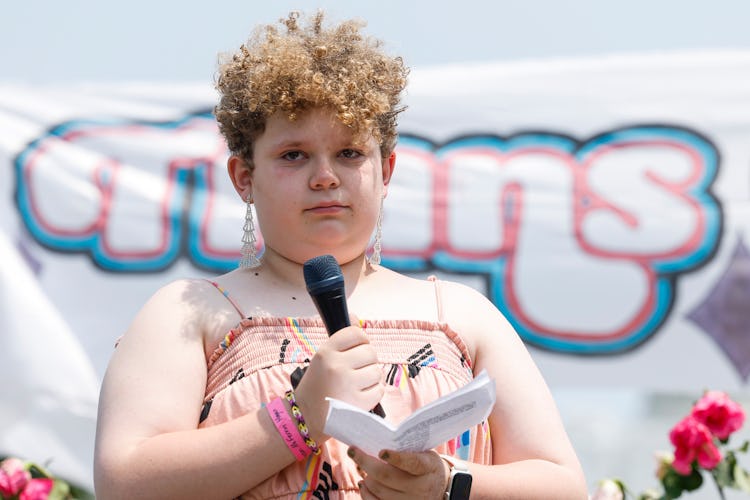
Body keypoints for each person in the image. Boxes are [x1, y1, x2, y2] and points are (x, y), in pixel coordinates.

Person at [93, 10, 588, 500]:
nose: (325, 176)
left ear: (386, 170)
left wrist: (445, 482)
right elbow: (124, 481)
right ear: (244, 177)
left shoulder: (463, 315)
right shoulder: (187, 312)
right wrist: (298, 419)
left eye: (350, 153)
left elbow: (563, 486)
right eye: (293, 155)